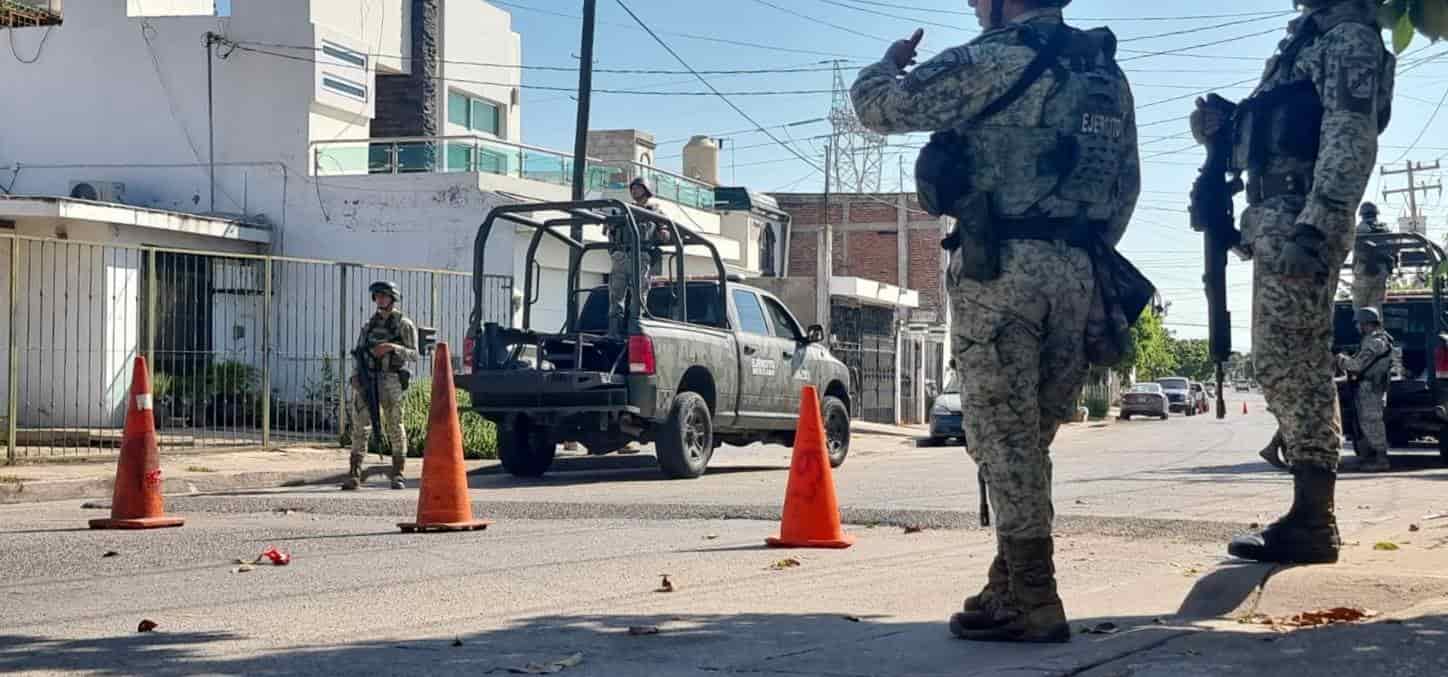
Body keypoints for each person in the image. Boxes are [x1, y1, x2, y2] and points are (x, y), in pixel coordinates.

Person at [852, 0, 1139, 643]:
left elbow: (879, 109)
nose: (975, 5)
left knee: (1003, 435)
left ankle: (1035, 595)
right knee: (1029, 434)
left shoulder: (989, 58)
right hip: (1078, 267)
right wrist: (1079, 249)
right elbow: (1126, 184)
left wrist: (888, 64)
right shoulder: (1103, 74)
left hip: (999, 266)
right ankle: (1005, 581)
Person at [1191, 0, 1394, 564]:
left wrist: (1320, 223)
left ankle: (1314, 518)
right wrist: (1223, 133)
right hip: (1278, 217)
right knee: (1280, 358)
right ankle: (1309, 512)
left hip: (1303, 217)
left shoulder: (1350, 37)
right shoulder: (1305, 43)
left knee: (1292, 357)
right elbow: (1278, 132)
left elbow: (1350, 138)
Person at [344, 281, 420, 490]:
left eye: (384, 296)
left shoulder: (403, 324)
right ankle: (354, 474)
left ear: (392, 298)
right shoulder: (368, 326)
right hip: (368, 379)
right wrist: (356, 377)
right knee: (361, 426)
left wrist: (391, 347)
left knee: (395, 425)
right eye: (377, 296)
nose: (380, 300)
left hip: (390, 380)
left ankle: (398, 473)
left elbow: (414, 354)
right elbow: (358, 353)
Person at [604, 177, 672, 336]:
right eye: (632, 188)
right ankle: (613, 332)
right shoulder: (624, 210)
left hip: (641, 256)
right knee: (616, 295)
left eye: (638, 188)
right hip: (621, 255)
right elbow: (610, 228)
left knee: (639, 297)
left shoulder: (655, 212)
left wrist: (663, 233)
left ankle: (634, 331)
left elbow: (666, 233)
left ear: (646, 190)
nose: (634, 191)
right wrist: (610, 224)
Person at [1338, 307, 1394, 472]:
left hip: (1371, 387)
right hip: (1368, 386)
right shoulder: (1375, 339)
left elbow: (1356, 365)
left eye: (1359, 323)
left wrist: (1341, 359)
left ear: (1365, 323)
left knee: (1372, 421)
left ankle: (1381, 459)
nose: (1357, 327)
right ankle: (1370, 456)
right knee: (1365, 422)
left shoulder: (1375, 342)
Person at [1351, 202, 1392, 312]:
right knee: (1376, 308)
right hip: (1382, 271)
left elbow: (1356, 252)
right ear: (1376, 214)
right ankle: (1377, 329)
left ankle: (1362, 329)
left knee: (1360, 309)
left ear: (1362, 215)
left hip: (1363, 272)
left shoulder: (1359, 229)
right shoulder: (1385, 228)